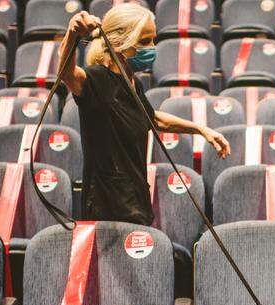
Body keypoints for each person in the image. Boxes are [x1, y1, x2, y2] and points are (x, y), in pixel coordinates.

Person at [58, 5, 230, 224]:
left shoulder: (132, 83)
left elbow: (153, 118)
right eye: (145, 41)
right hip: (107, 207)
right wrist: (72, 35)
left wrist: (202, 130)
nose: (152, 48)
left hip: (136, 199)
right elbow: (66, 73)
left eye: (153, 40)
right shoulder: (96, 80)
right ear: (120, 42)